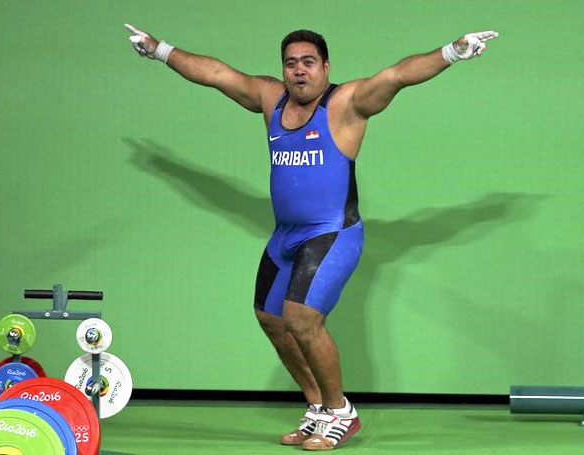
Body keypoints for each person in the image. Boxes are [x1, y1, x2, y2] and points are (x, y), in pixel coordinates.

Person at [124, 25, 498, 450]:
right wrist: (160, 50)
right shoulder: (270, 100)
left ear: (325, 67)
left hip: (332, 233)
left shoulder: (347, 104)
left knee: (302, 319)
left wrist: (453, 50)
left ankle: (341, 411)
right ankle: (317, 407)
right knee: (271, 319)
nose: (299, 71)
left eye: (308, 62)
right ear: (282, 70)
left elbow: (397, 75)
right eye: (290, 63)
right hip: (285, 237)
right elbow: (214, 73)